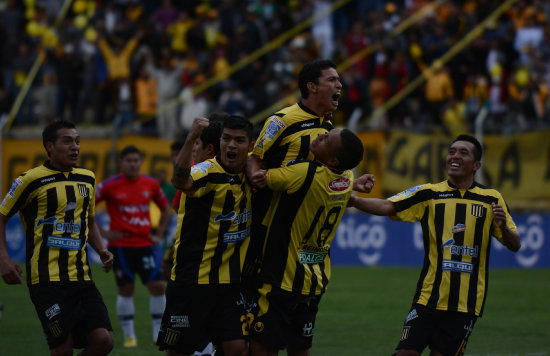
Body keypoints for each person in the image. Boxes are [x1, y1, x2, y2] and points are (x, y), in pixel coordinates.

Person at [347, 134, 521, 356]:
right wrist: (352, 200)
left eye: (463, 152)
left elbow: (515, 244)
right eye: (451, 151)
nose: (455, 156)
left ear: (476, 165)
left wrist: (503, 227)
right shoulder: (429, 193)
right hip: (428, 297)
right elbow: (387, 205)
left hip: (465, 304)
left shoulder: (491, 198)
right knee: (406, 353)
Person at [244, 58, 372, 282]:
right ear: (312, 87)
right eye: (332, 80)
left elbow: (323, 175)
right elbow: (256, 158)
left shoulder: (329, 128)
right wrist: (255, 175)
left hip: (306, 227)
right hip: (271, 224)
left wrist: (351, 183)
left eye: (339, 80)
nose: (339, 85)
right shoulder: (281, 121)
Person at [0, 119, 114, 355]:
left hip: (82, 277)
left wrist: (101, 248)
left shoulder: (88, 178)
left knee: (104, 340)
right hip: (46, 280)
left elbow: (89, 221)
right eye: (67, 141)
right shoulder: (29, 180)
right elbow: (0, 217)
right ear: (49, 146)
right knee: (63, 349)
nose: (75, 147)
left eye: (78, 141)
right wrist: (4, 259)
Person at [247, 128, 365, 355]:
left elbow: (260, 178)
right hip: (314, 281)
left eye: (326, 139)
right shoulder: (347, 178)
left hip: (282, 280)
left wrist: (255, 159)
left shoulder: (303, 173)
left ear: (332, 159)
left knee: (261, 349)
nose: (320, 135)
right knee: (299, 349)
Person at [157, 115, 253, 356]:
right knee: (180, 351)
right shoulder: (207, 171)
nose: (231, 145)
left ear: (250, 146)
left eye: (239, 140)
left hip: (228, 285)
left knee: (237, 348)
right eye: (226, 139)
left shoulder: (251, 173)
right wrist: (190, 138)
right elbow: (180, 180)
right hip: (192, 283)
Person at [95, 145, 172, 347]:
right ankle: (130, 336)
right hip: (120, 246)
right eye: (128, 160)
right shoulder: (108, 186)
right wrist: (102, 233)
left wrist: (160, 234)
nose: (132, 164)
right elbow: (86, 209)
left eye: (136, 160)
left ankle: (157, 333)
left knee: (157, 286)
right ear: (121, 163)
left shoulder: (151, 184)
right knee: (126, 290)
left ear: (140, 162)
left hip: (145, 244)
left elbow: (165, 209)